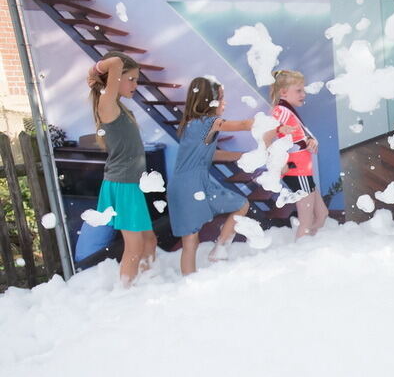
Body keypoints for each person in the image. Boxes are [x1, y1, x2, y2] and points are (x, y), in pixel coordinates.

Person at [168, 77, 254, 275]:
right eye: (221, 98)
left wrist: (244, 155)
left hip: (194, 184)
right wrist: (263, 123)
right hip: (189, 187)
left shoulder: (195, 125)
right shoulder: (208, 122)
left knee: (241, 205)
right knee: (191, 241)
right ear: (209, 101)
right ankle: (193, 277)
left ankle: (219, 250)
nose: (225, 103)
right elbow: (242, 124)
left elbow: (212, 155)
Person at [87, 51, 156, 287]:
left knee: (149, 241)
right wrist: (96, 71)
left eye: (137, 80)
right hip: (123, 184)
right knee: (135, 246)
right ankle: (126, 294)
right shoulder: (107, 105)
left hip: (131, 184)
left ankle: (148, 284)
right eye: (131, 79)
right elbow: (115, 62)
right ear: (114, 79)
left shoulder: (119, 107)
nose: (135, 85)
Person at [269, 69, 327, 239]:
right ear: (283, 92)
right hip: (297, 170)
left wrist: (310, 140)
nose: (303, 94)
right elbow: (268, 132)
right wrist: (279, 130)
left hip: (303, 170)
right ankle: (302, 250)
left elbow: (296, 137)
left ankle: (307, 245)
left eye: (303, 90)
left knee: (322, 214)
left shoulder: (287, 111)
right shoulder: (281, 110)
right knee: (306, 222)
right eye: (299, 90)